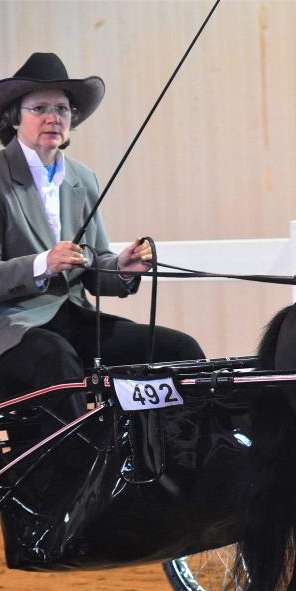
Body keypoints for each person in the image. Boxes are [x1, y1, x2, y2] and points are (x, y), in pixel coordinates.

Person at [0, 53, 204, 432]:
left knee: (178, 349)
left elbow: (95, 267)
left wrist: (121, 268)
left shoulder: (82, 178)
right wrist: (42, 263)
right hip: (12, 328)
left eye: (62, 108)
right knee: (56, 360)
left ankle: (180, 458)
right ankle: (81, 472)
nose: (53, 117)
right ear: (14, 116)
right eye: (39, 108)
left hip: (76, 318)